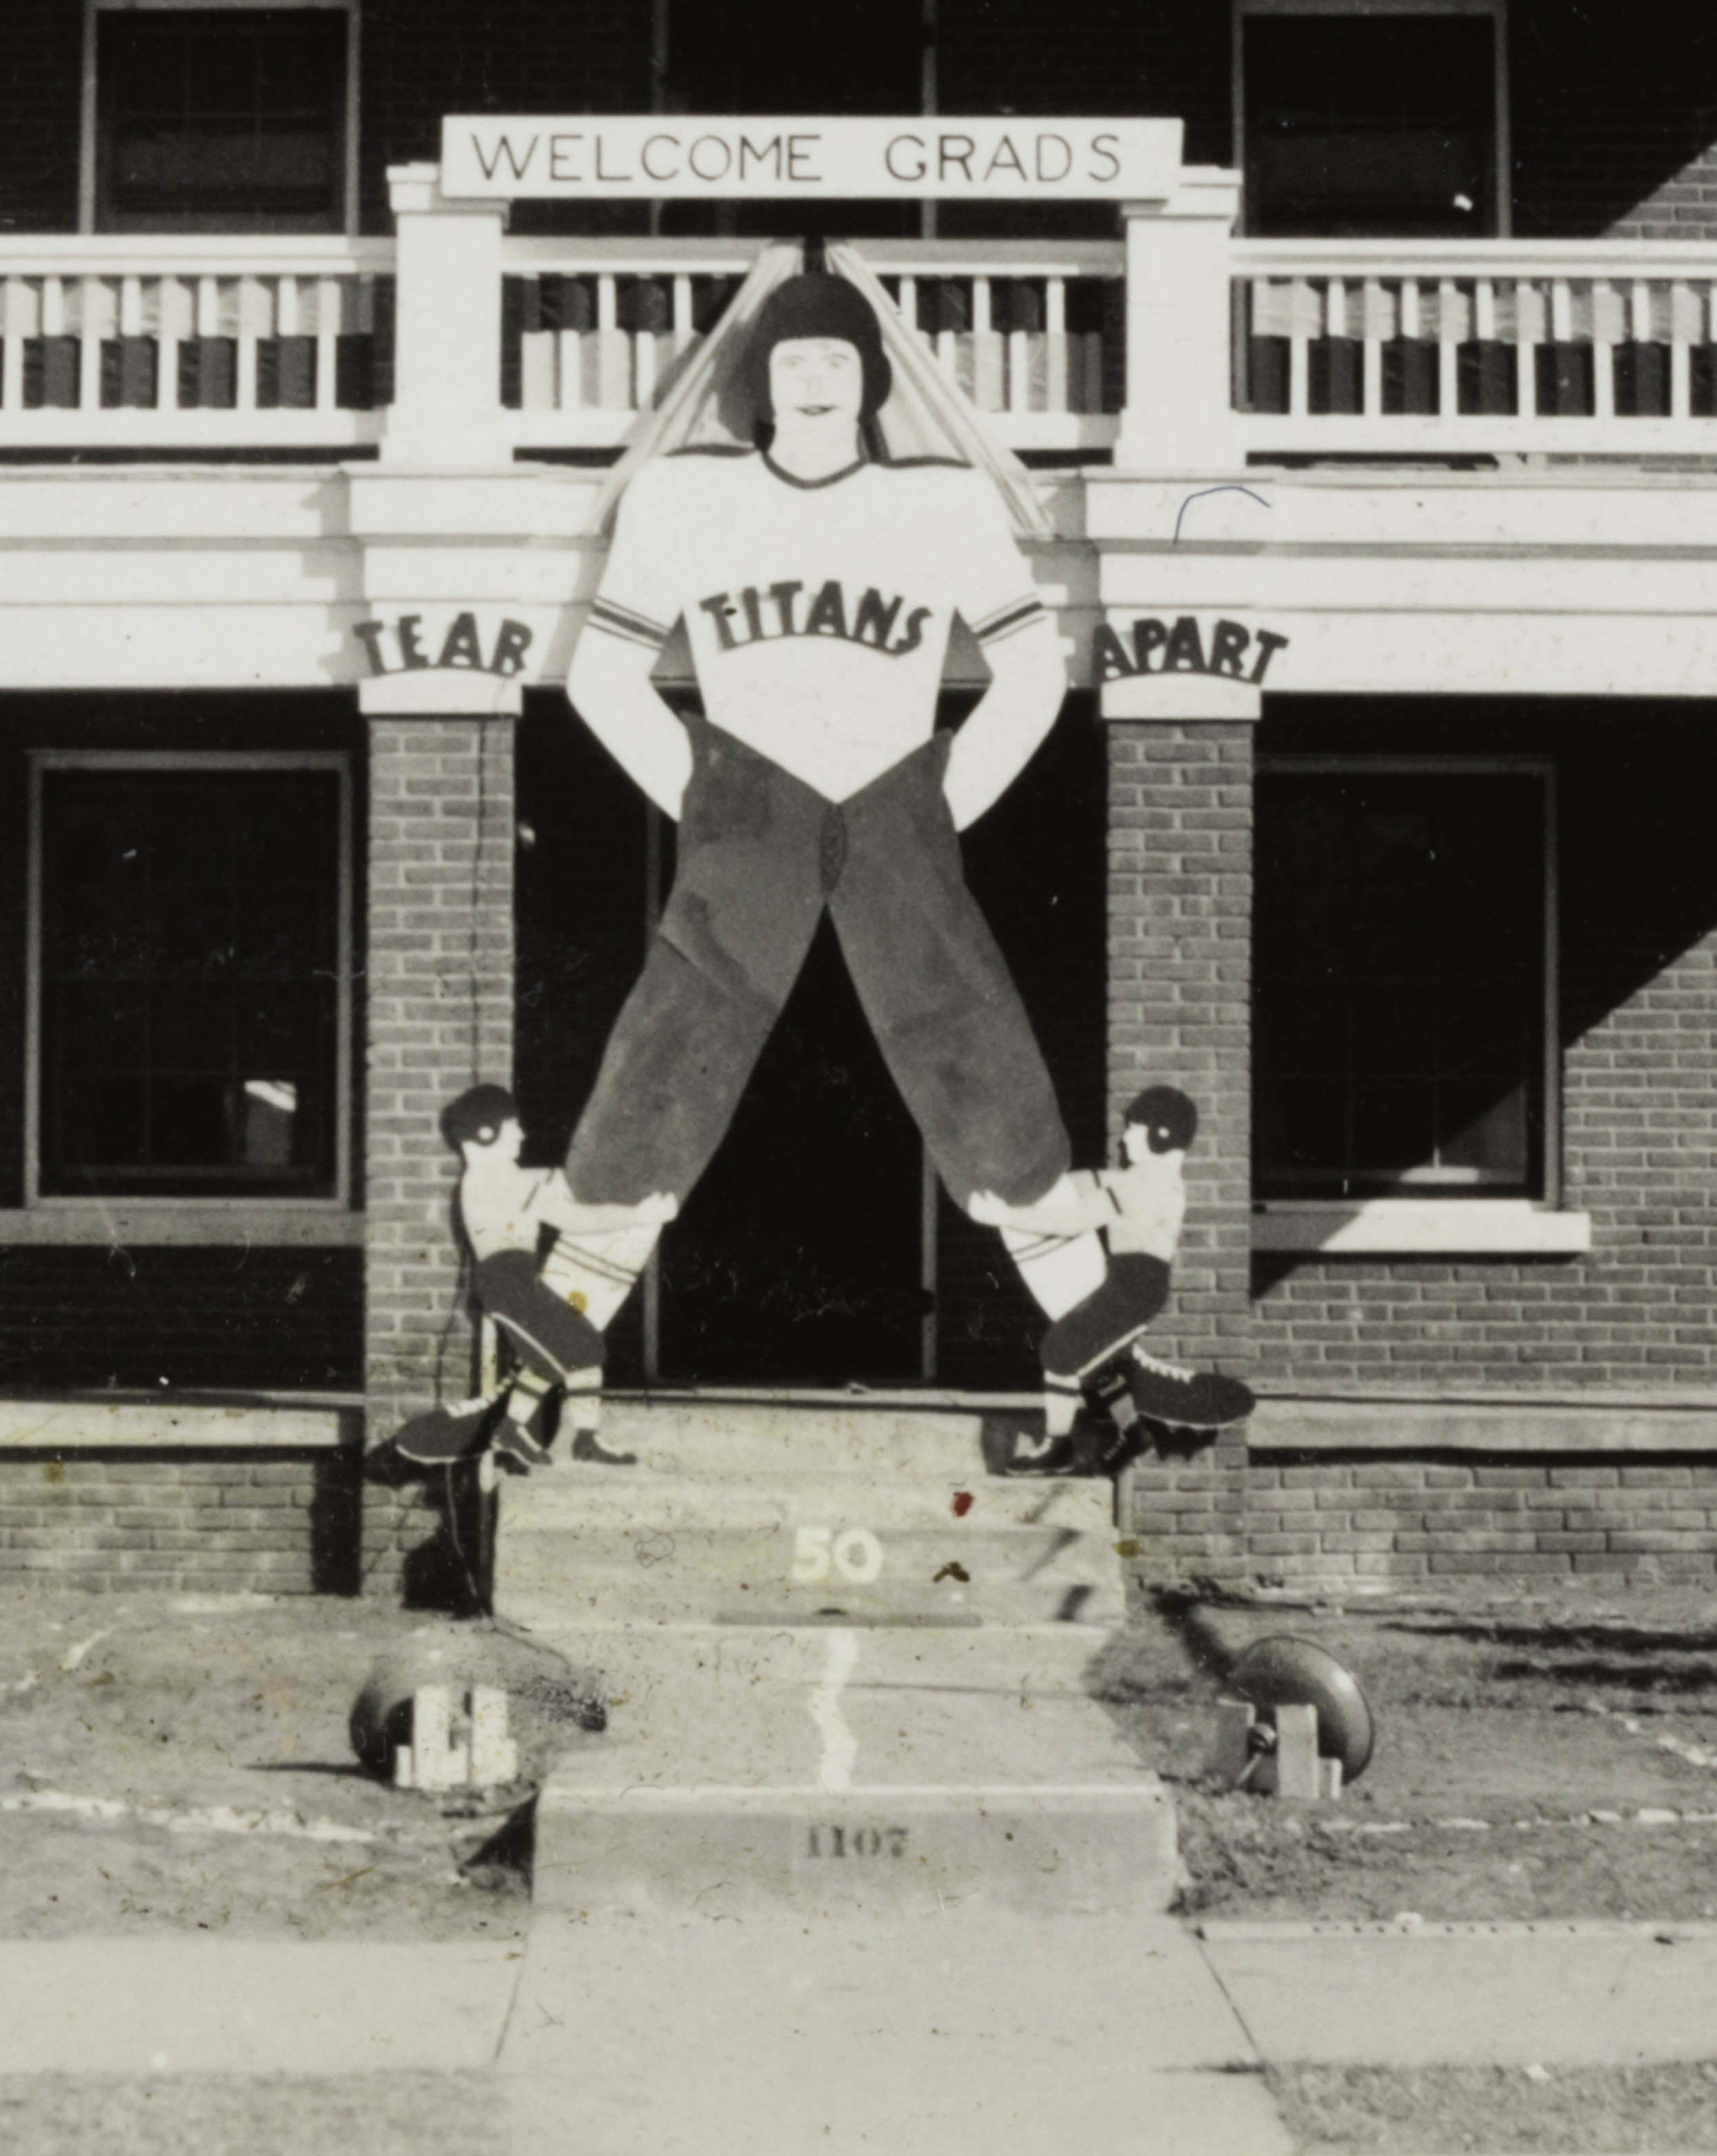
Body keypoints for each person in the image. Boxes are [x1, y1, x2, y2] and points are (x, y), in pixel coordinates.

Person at [382, 270, 1241, 1478]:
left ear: (872, 380)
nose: (817, 377)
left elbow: (1032, 670)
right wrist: (699, 788)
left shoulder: (936, 502)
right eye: (793, 360)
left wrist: (945, 797)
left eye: (839, 359)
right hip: (749, 791)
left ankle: (1103, 1373)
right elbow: (598, 675)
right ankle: (530, 1383)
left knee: (975, 1052)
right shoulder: (687, 495)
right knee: (670, 1051)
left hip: (896, 792)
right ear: (758, 382)